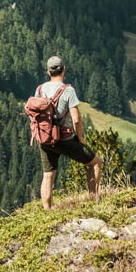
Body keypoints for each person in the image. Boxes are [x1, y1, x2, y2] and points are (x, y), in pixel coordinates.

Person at [33, 56, 102, 209]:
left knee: (48, 175)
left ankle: (47, 212)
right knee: (95, 162)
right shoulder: (68, 90)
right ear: (63, 69)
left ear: (48, 71)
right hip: (64, 139)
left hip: (45, 138)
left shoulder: (39, 90)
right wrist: (80, 138)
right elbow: (76, 120)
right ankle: (93, 201)